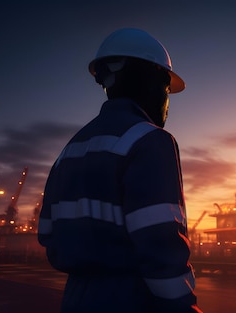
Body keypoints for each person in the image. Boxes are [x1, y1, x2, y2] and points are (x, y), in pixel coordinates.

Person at [38, 28, 201, 313]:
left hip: (76, 298)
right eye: (166, 89)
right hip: (133, 299)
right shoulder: (150, 141)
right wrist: (182, 306)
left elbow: (47, 233)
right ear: (150, 80)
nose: (167, 103)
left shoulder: (70, 150)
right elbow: (160, 244)